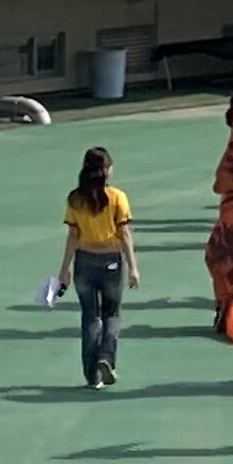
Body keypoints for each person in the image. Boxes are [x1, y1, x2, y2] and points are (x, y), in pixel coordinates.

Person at [55, 147, 140, 390]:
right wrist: (133, 267)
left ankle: (92, 375)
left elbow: (73, 235)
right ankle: (106, 357)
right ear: (106, 170)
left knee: (89, 317)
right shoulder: (117, 197)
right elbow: (124, 234)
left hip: (84, 262)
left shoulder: (75, 199)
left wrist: (64, 268)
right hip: (110, 260)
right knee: (111, 314)